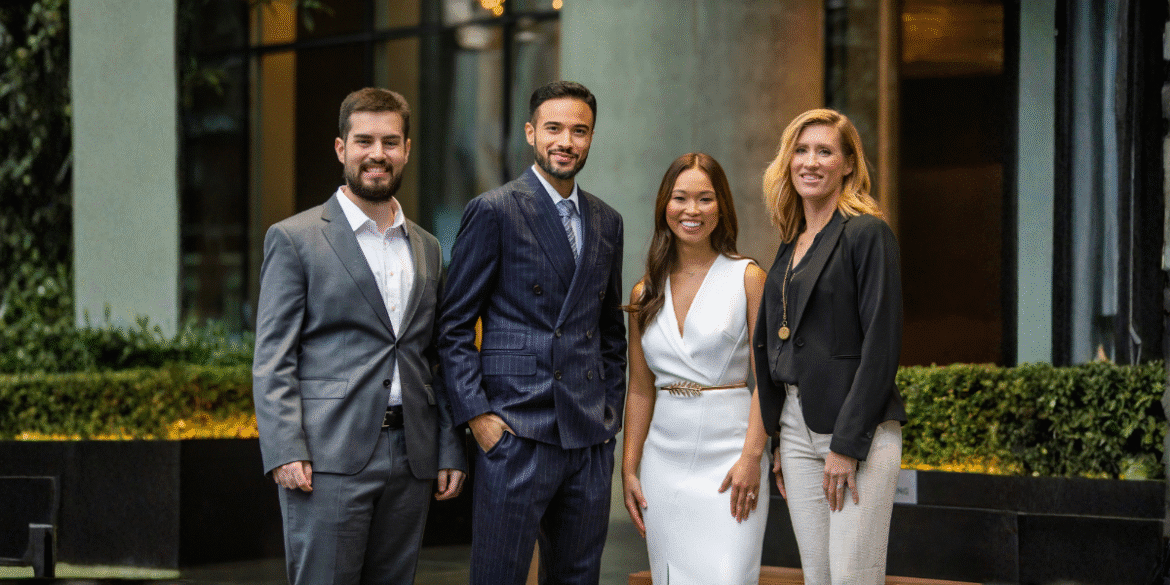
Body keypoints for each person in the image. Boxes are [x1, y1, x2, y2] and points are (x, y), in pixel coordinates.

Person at [252, 87, 466, 585]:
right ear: (340, 148)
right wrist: (285, 448)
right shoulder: (295, 238)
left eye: (390, 142)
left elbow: (436, 356)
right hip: (327, 459)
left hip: (411, 457)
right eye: (364, 140)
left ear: (407, 150)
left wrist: (449, 447)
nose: (377, 154)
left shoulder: (429, 247)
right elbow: (272, 357)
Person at [438, 80, 626, 585]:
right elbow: (454, 326)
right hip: (516, 430)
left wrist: (610, 416)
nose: (566, 141)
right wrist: (478, 417)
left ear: (591, 138)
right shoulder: (496, 210)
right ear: (530, 133)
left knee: (578, 577)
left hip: (586, 435)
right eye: (554, 128)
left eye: (579, 130)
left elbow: (610, 333)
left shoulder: (608, 221)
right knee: (499, 575)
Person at [753, 108, 906, 584]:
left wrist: (846, 443)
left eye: (825, 151)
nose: (810, 161)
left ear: (848, 165)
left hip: (853, 429)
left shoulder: (867, 233)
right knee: (819, 578)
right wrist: (780, 434)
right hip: (795, 429)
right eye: (801, 150)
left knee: (853, 578)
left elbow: (882, 344)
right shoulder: (791, 242)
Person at [622, 153, 770, 584]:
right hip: (663, 463)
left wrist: (752, 457)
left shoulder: (748, 277)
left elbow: (768, 378)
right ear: (664, 206)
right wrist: (629, 469)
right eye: (680, 198)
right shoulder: (644, 291)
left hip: (731, 459)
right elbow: (639, 388)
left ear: (721, 206)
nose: (691, 210)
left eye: (705, 199)